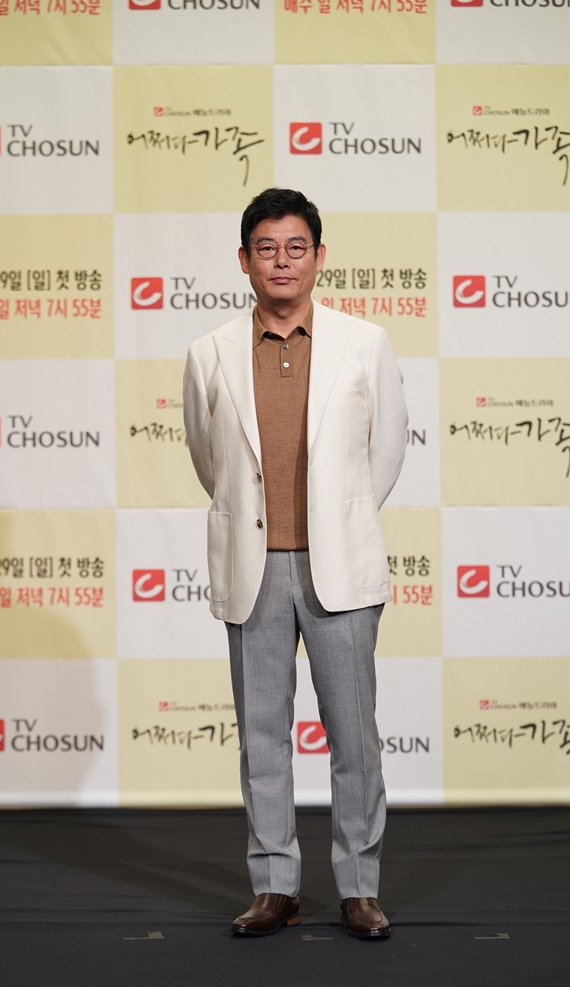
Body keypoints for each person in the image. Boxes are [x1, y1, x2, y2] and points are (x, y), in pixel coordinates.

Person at [183, 188, 408, 940]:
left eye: (296, 247)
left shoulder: (364, 343)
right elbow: (210, 461)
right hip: (254, 572)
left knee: (355, 738)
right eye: (267, 248)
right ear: (244, 260)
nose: (282, 261)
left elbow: (384, 453)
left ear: (318, 256)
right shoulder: (210, 351)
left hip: (339, 570)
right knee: (263, 738)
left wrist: (336, 520)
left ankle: (360, 887)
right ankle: (275, 884)